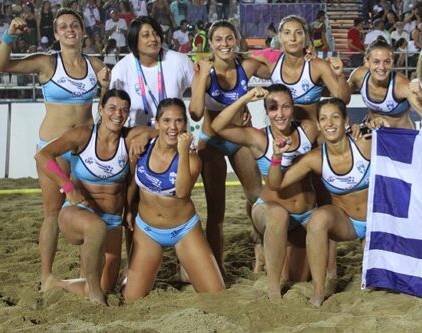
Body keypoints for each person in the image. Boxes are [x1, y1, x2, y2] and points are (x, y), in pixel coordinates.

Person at [0, 8, 109, 291]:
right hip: (52, 151)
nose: (70, 30)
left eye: (75, 25)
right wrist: (9, 36)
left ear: (82, 31)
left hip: (83, 150)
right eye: (63, 27)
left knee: (92, 213)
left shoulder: (95, 65)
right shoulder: (46, 63)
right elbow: (2, 66)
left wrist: (105, 88)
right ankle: (46, 277)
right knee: (52, 214)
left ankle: (87, 275)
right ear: (56, 34)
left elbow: (106, 109)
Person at [36, 90, 147, 305]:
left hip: (112, 220)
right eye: (112, 108)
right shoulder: (83, 134)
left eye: (124, 110)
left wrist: (144, 135)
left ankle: (55, 283)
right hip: (78, 212)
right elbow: (43, 155)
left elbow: (158, 131)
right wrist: (67, 186)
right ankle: (97, 300)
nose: (118, 114)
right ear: (101, 109)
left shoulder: (128, 137)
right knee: (95, 228)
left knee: (104, 284)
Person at [266, 98, 381, 307]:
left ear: (346, 120)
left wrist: (381, 123)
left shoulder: (365, 142)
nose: (329, 123)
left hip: (377, 223)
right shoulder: (315, 158)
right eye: (324, 119)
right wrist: (276, 157)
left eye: (335, 117)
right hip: (347, 224)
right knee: (318, 219)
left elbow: (402, 142)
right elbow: (276, 184)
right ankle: (319, 292)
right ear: (318, 124)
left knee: (374, 287)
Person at [211, 85, 318, 301]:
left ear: (293, 108)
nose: (280, 114)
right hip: (270, 210)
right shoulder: (259, 138)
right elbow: (217, 126)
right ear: (266, 112)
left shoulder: (308, 130)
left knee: (298, 277)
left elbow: (337, 136)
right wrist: (246, 98)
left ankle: (269, 251)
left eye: (286, 107)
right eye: (273, 108)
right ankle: (273, 291)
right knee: (279, 217)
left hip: (304, 214)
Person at [188, 20, 271, 274]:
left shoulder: (247, 65)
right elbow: (195, 113)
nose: (224, 44)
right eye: (219, 40)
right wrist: (202, 77)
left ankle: (261, 255)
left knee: (256, 198)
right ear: (211, 44)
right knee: (217, 210)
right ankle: (218, 267)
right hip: (211, 142)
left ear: (236, 40)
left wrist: (307, 56)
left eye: (229, 39)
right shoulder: (204, 70)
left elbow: (282, 71)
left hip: (240, 139)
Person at [123, 98, 224, 300]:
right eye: (167, 121)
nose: (173, 127)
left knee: (216, 295)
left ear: (185, 125)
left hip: (183, 230)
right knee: (131, 299)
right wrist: (127, 207)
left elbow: (182, 192)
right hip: (147, 230)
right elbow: (132, 181)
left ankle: (188, 268)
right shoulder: (141, 149)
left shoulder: (192, 159)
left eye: (179, 121)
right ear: (157, 123)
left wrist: (184, 152)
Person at [110, 16, 194, 127]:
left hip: (174, 135)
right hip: (139, 138)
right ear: (134, 40)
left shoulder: (180, 61)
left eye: (156, 34)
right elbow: (113, 110)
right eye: (146, 35)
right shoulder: (121, 69)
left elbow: (201, 93)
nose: (153, 39)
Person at [263, 15, 350, 122]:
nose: (293, 38)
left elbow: (344, 100)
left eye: (298, 33)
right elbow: (243, 59)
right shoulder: (271, 63)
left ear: (306, 38)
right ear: (280, 38)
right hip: (282, 131)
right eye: (287, 33)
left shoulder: (318, 66)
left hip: (311, 133)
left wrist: (340, 75)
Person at [348, 38, 422, 129]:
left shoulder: (403, 86)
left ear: (392, 63)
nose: (382, 67)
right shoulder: (359, 76)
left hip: (399, 137)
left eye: (387, 62)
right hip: (375, 134)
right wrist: (338, 76)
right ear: (367, 61)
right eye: (376, 62)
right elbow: (341, 99)